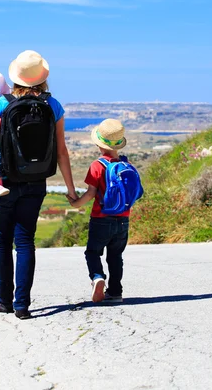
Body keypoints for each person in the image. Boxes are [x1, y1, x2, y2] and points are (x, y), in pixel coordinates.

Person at [0, 50, 77, 320]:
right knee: (25, 242)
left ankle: (5, 301)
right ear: (42, 78)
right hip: (36, 181)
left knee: (2, 241)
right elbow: (61, 151)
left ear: (16, 79)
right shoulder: (53, 105)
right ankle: (22, 305)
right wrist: (70, 189)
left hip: (3, 182)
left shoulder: (4, 103)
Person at [68, 119, 133, 304]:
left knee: (93, 252)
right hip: (123, 219)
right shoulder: (125, 165)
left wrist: (76, 204)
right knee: (115, 256)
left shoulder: (97, 165)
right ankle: (115, 292)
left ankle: (97, 277)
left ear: (98, 144)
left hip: (101, 218)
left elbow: (91, 193)